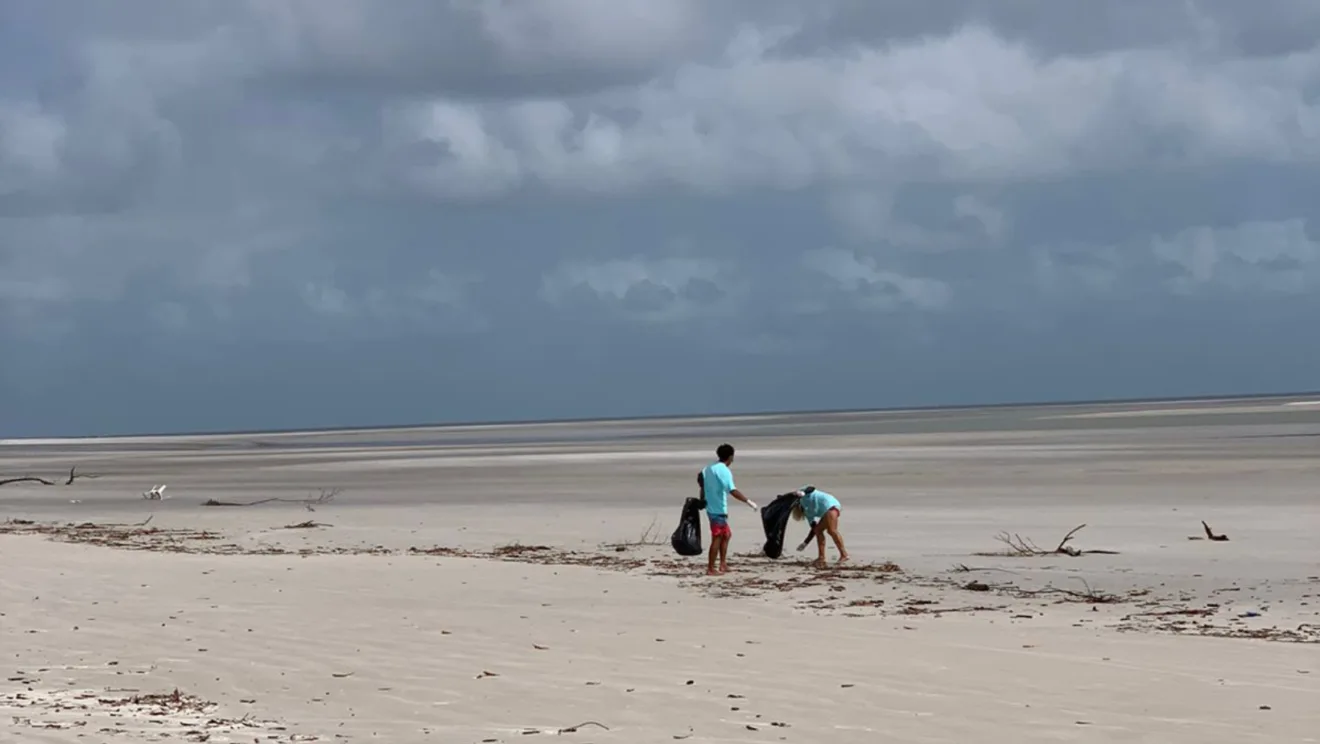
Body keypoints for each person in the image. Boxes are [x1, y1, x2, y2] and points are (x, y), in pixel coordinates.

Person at [700, 443, 757, 576]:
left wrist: (703, 499)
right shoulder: (723, 470)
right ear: (731, 457)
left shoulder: (708, 468)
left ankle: (723, 564)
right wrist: (748, 502)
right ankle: (710, 568)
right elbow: (732, 490)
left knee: (726, 535)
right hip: (717, 509)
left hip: (712, 507)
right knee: (718, 537)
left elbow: (701, 484)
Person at [791, 485, 849, 568]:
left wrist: (803, 492)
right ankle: (821, 557)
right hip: (829, 510)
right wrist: (805, 543)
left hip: (831, 505)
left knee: (832, 530)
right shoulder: (807, 512)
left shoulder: (802, 495)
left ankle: (844, 555)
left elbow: (811, 488)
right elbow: (814, 529)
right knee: (819, 530)